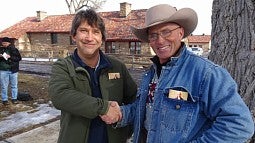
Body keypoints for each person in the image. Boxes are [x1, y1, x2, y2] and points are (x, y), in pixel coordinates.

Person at [102, 4, 255, 143]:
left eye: (166, 32)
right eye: (153, 35)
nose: (160, 40)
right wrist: (120, 113)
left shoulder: (206, 73)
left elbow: (240, 124)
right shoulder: (151, 72)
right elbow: (147, 109)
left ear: (181, 33)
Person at [48, 9, 137, 143]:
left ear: (102, 38)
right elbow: (59, 95)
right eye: (84, 31)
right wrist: (104, 107)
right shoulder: (63, 66)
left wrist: (125, 129)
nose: (90, 38)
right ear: (74, 35)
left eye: (96, 32)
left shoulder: (117, 67)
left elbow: (135, 100)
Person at [0, 37, 22, 105]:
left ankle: (14, 98)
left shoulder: (14, 49)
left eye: (5, 43)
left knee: (14, 85)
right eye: (3, 43)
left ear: (9, 43)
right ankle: (4, 99)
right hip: (3, 70)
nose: (4, 44)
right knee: (4, 86)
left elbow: (19, 58)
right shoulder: (0, 49)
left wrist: (10, 57)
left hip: (13, 70)